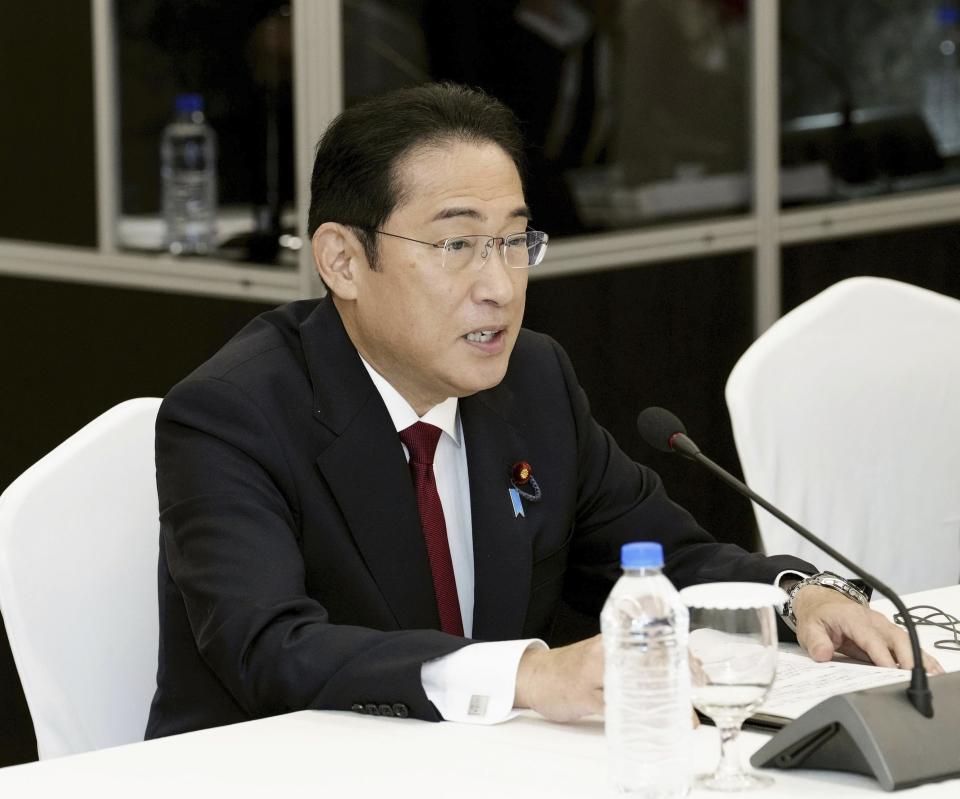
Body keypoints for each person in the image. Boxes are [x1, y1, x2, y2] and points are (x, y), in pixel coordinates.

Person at [145, 83, 938, 739]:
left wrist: (802, 597)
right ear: (343, 261)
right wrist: (532, 672)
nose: (499, 285)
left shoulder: (532, 381)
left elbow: (665, 561)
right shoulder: (230, 416)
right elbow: (272, 650)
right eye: (458, 246)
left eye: (514, 242)